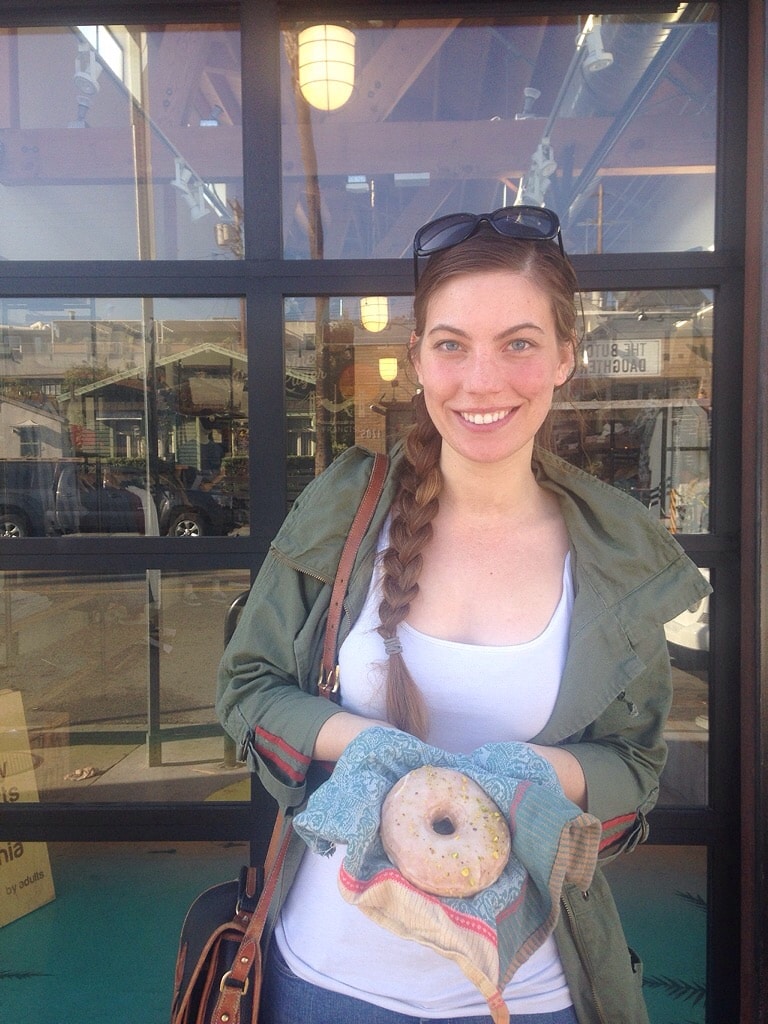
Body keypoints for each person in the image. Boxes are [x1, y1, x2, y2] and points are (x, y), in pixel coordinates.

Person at [216, 206, 711, 1024]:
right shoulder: (347, 509)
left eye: (519, 343)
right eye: (451, 344)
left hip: (529, 994)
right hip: (328, 986)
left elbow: (636, 767)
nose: (482, 380)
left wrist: (530, 775)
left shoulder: (615, 553)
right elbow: (248, 689)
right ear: (416, 361)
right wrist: (367, 745)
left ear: (563, 360)